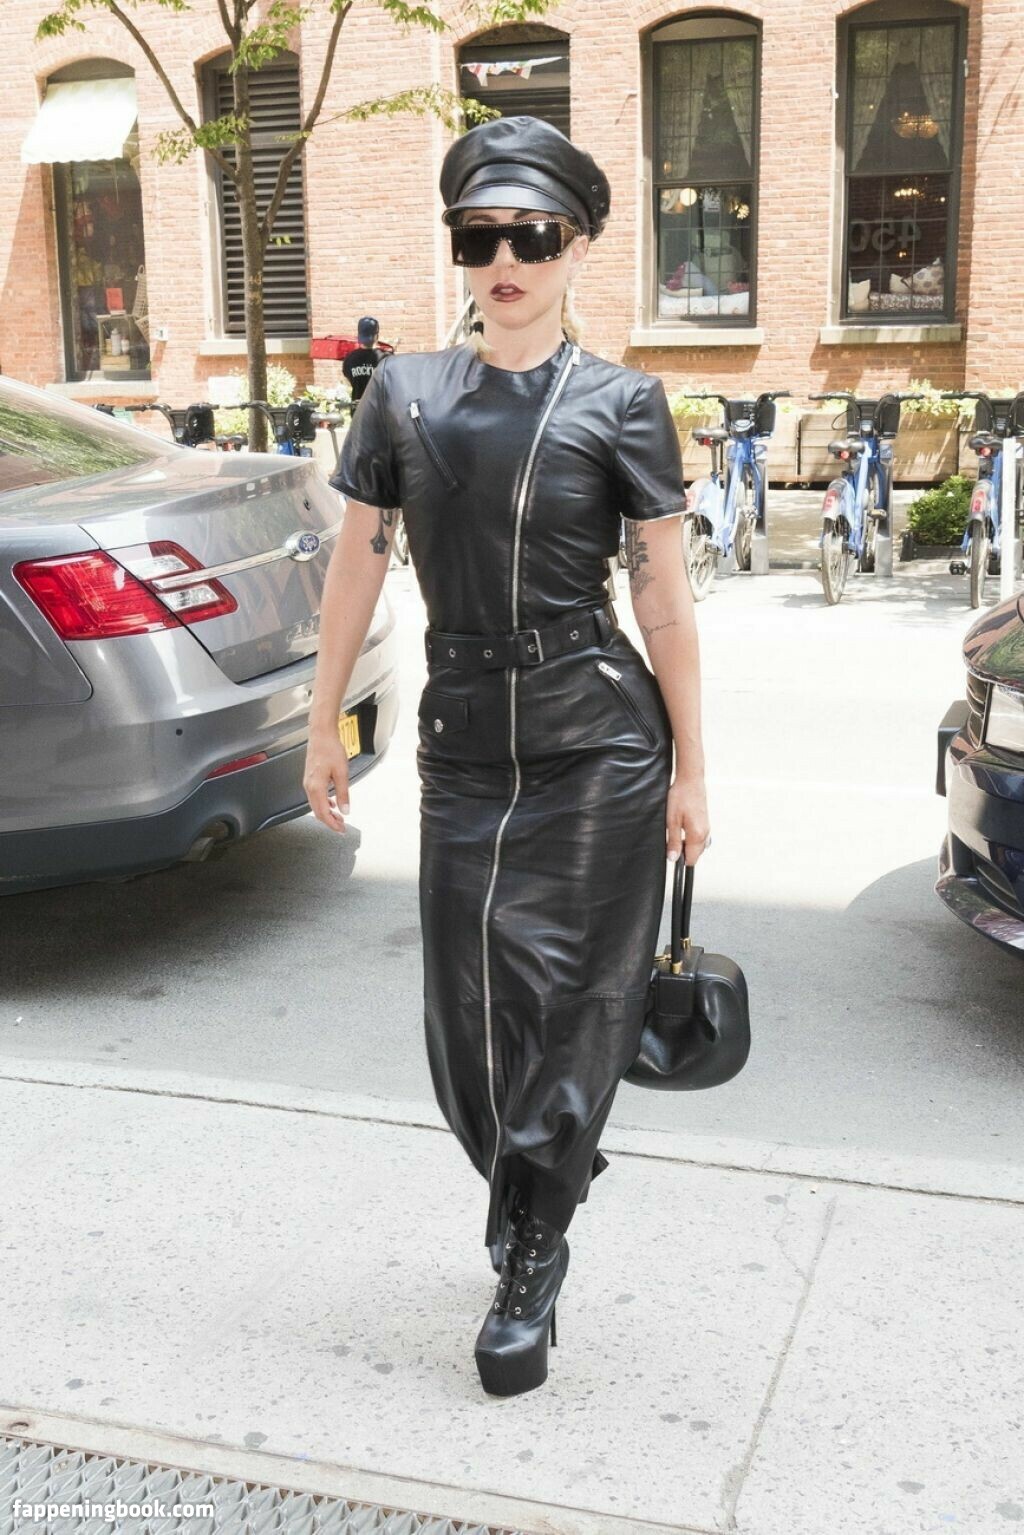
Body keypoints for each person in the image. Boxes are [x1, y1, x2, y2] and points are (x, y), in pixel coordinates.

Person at [303, 115, 708, 1399]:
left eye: (531, 237)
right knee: (467, 1017)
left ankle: (532, 1249)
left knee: (575, 1004)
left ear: (576, 247)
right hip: (468, 742)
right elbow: (357, 565)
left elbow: (663, 597)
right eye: (479, 238)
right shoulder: (404, 395)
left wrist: (693, 767)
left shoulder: (622, 402)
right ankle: (536, 1178)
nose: (504, 262)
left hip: (599, 740)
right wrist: (321, 720)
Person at [342, 316, 385, 413]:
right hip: (379, 413)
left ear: (359, 335)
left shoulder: (349, 358)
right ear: (377, 335)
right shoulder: (386, 358)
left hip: (357, 411)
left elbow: (347, 382)